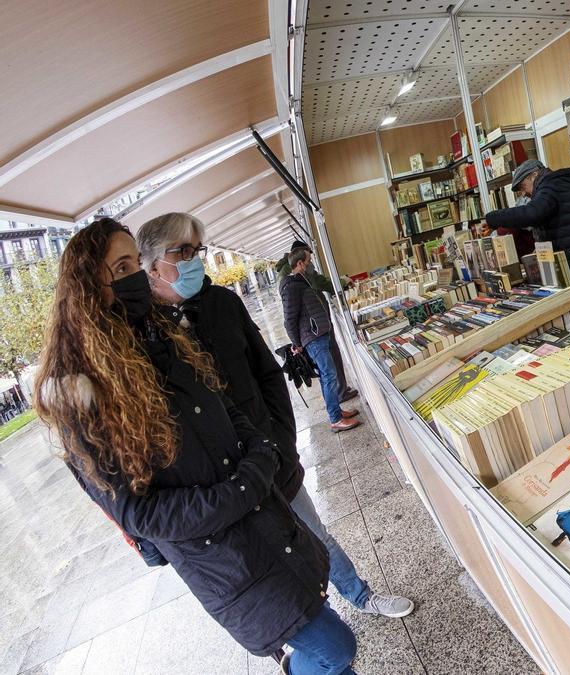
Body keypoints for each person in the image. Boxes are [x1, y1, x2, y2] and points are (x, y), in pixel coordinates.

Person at [34, 218, 353, 674]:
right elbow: (138, 513)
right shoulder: (79, 394)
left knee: (328, 647)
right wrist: (243, 488)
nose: (135, 277)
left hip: (267, 521)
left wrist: (265, 450)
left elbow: (227, 405)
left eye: (134, 264)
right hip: (224, 557)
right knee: (335, 645)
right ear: (88, 286)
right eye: (121, 266)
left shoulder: (162, 336)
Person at [137, 212, 413, 621]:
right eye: (183, 251)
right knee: (265, 562)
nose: (194, 260)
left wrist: (280, 438)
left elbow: (267, 373)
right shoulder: (145, 332)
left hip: (269, 452)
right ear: (151, 264)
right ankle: (311, 630)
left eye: (198, 250)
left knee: (313, 531)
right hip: (220, 483)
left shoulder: (223, 304)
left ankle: (359, 594)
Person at [281, 249, 361, 432]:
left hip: (319, 334)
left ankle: (337, 412)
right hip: (313, 338)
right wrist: (297, 343)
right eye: (309, 261)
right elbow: (289, 319)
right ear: (300, 264)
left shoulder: (304, 281)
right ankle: (335, 419)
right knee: (329, 376)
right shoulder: (292, 287)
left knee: (329, 376)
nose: (311, 264)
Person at [481, 159, 570, 264]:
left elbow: (532, 213)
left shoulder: (550, 186)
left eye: (523, 187)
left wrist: (492, 219)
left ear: (534, 175)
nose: (524, 194)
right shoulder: (563, 183)